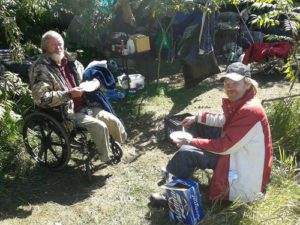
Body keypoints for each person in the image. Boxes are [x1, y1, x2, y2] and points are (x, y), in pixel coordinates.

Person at [151, 62, 273, 204]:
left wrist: (190, 141)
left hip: (241, 163)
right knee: (198, 125)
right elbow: (224, 120)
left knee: (186, 152)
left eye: (235, 83)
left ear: (247, 84)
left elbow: (224, 147)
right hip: (238, 151)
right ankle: (184, 170)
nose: (229, 87)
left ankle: (172, 198)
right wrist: (196, 117)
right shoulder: (244, 102)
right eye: (227, 83)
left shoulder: (250, 110)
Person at [29, 30, 127, 163]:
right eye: (53, 45)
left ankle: (117, 143)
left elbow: (86, 77)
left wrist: (95, 82)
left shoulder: (71, 62)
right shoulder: (40, 68)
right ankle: (106, 157)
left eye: (59, 43)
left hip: (86, 106)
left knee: (112, 120)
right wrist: (68, 94)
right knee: (100, 127)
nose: (58, 47)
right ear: (45, 48)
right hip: (65, 113)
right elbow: (41, 98)